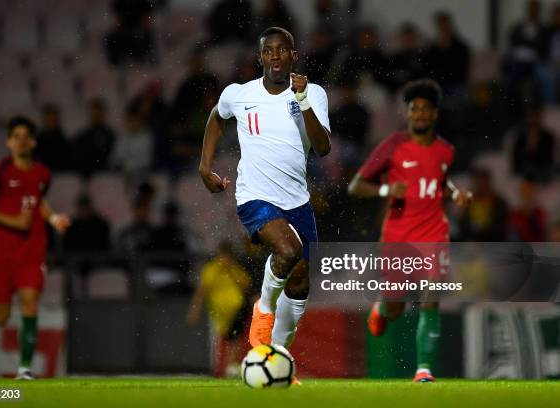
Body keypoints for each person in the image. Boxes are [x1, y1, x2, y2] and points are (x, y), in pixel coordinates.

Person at [199, 27, 331, 384]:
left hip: (297, 202)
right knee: (288, 251)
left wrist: (303, 101)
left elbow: (322, 148)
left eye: (282, 50)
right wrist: (204, 165)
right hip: (255, 197)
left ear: (293, 55)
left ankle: (279, 358)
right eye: (268, 51)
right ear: (260, 58)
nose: (275, 56)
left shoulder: (313, 94)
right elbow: (217, 117)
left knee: (301, 282)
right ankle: (263, 310)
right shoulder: (240, 94)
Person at [347, 80, 470, 382]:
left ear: (434, 114)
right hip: (398, 235)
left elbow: (440, 179)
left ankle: (424, 370)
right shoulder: (393, 145)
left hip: (433, 233)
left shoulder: (446, 151)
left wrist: (455, 194)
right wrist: (388, 188)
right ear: (409, 113)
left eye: (426, 109)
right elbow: (355, 186)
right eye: (414, 109)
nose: (420, 114)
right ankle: (382, 306)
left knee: (431, 296)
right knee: (395, 309)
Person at [0, 116, 70, 379]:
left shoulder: (42, 173)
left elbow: (38, 201)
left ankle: (24, 369)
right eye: (17, 137)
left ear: (33, 142)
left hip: (31, 249)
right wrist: (11, 220)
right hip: (0, 250)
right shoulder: (0, 171)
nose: (22, 141)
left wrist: (53, 217)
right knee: (1, 315)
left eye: (26, 136)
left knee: (30, 302)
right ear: (8, 142)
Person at [187, 241, 251, 377]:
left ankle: (229, 369)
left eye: (227, 256)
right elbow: (202, 291)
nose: (225, 259)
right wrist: (195, 310)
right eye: (222, 256)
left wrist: (231, 270)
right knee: (216, 341)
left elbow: (246, 286)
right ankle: (215, 369)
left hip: (236, 311)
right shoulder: (211, 269)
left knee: (234, 340)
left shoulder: (235, 269)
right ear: (218, 255)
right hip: (217, 312)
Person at [71, 98, 116, 178]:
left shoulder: (110, 135)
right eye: (93, 112)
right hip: (85, 175)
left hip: (104, 175)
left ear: (103, 113)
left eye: (98, 112)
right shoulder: (82, 136)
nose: (96, 115)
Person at [34, 104, 70, 172]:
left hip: (60, 172)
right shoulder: (38, 139)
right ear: (44, 119)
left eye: (53, 117)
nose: (51, 120)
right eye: (48, 117)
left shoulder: (63, 139)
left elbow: (66, 159)